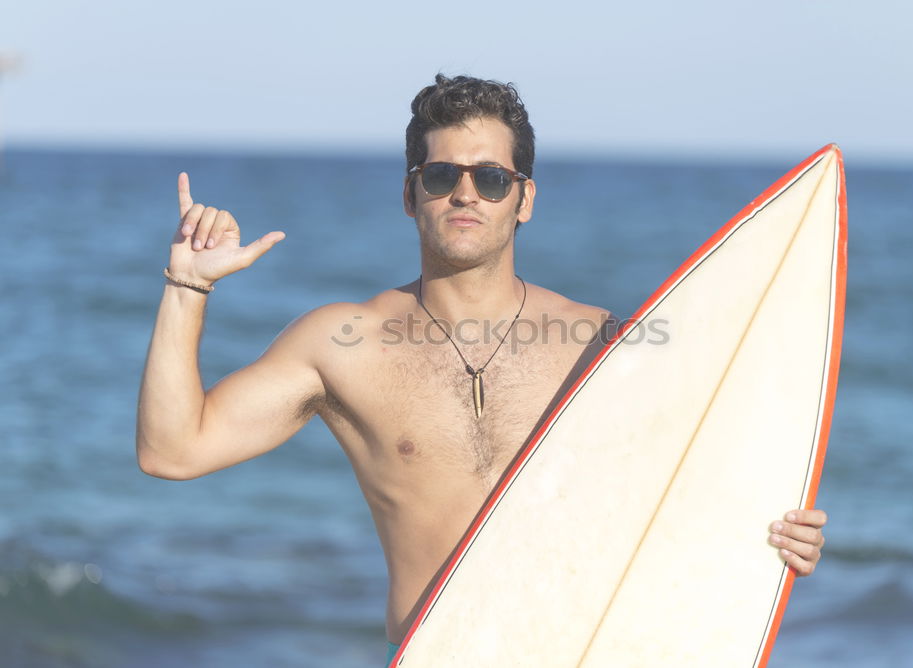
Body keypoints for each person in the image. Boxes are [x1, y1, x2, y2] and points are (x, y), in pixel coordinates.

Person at [136, 74, 828, 665]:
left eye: (491, 177)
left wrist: (777, 537)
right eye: (442, 176)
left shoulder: (603, 347)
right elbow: (172, 451)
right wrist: (186, 285)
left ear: (524, 198)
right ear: (411, 195)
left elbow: (696, 493)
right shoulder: (342, 344)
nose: (466, 194)